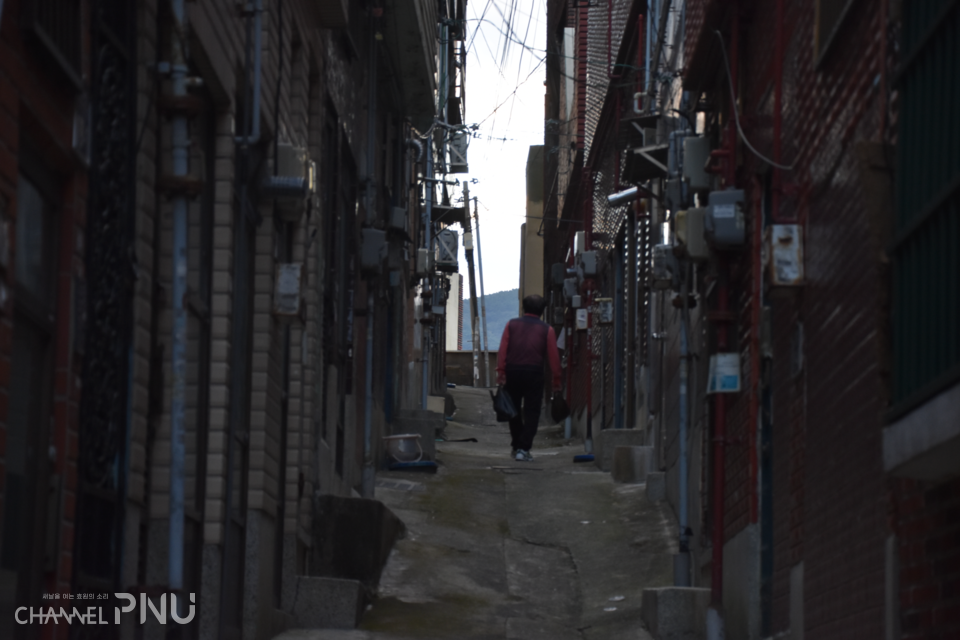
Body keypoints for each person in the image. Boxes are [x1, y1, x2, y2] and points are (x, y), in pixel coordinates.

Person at [496, 294, 562, 461]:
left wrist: (501, 372)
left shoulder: (511, 325)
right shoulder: (547, 330)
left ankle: (516, 445)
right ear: (542, 311)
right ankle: (524, 449)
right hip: (534, 373)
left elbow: (503, 349)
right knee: (532, 412)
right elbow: (554, 358)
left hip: (513, 371)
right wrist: (556, 380)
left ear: (524, 308)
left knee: (513, 410)